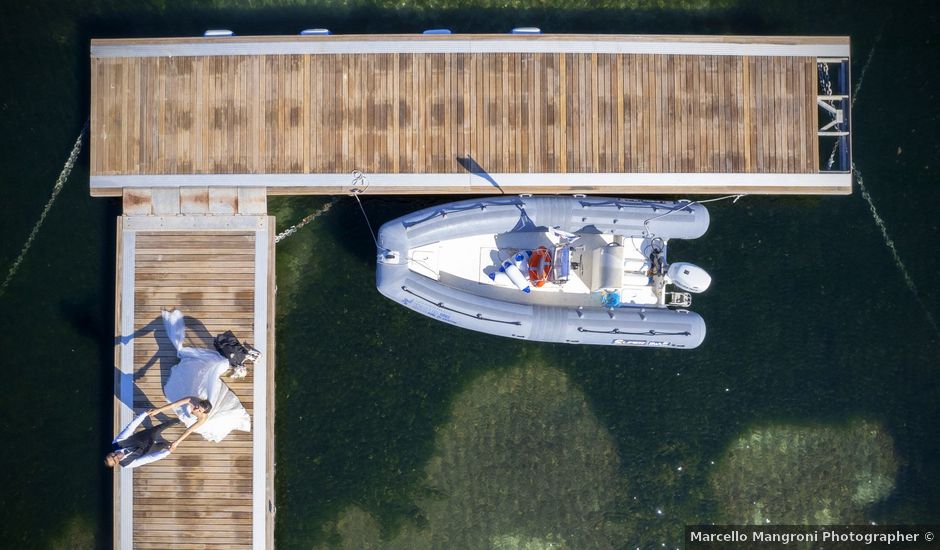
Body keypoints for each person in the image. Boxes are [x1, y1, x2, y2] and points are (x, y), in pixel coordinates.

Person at [104, 397, 212, 469]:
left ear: (111, 452)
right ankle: (167, 444)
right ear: (117, 463)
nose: (115, 456)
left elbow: (130, 427)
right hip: (150, 448)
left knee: (163, 426)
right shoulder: (126, 464)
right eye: (115, 460)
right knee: (166, 445)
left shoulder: (117, 442)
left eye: (112, 455)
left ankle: (174, 421)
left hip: (146, 435)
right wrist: (168, 452)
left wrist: (144, 414)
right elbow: (148, 459)